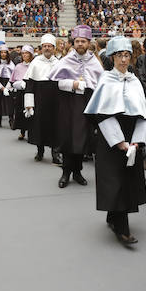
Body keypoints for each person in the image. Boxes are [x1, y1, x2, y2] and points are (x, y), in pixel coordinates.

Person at [84, 36, 146, 245]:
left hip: (132, 136)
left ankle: (115, 216)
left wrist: (137, 140)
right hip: (111, 137)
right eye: (119, 56)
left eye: (126, 55)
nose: (123, 60)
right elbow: (101, 114)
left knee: (128, 179)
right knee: (115, 179)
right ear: (111, 58)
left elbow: (142, 113)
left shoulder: (135, 81)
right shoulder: (105, 80)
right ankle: (123, 228)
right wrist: (119, 141)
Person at [49, 25, 104, 188]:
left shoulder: (94, 61)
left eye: (83, 41)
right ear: (73, 43)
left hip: (86, 103)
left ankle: (78, 171)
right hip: (68, 103)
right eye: (77, 41)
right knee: (67, 137)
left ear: (88, 43)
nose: (80, 44)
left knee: (82, 138)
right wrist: (73, 84)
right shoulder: (66, 60)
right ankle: (66, 172)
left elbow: (100, 83)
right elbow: (56, 82)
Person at [24, 34, 61, 164]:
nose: (47, 48)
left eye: (49, 46)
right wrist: (29, 104)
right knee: (39, 127)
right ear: (41, 48)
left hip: (55, 102)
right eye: (45, 46)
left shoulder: (58, 63)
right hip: (39, 101)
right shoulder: (35, 63)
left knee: (55, 128)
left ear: (53, 48)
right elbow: (29, 85)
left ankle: (55, 154)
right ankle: (40, 152)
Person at [10, 45, 35, 140]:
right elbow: (12, 80)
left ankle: (31, 132)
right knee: (20, 111)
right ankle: (22, 131)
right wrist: (18, 84)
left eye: (27, 53)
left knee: (31, 112)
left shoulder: (34, 65)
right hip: (21, 92)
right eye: (23, 53)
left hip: (31, 91)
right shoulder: (18, 66)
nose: (24, 55)